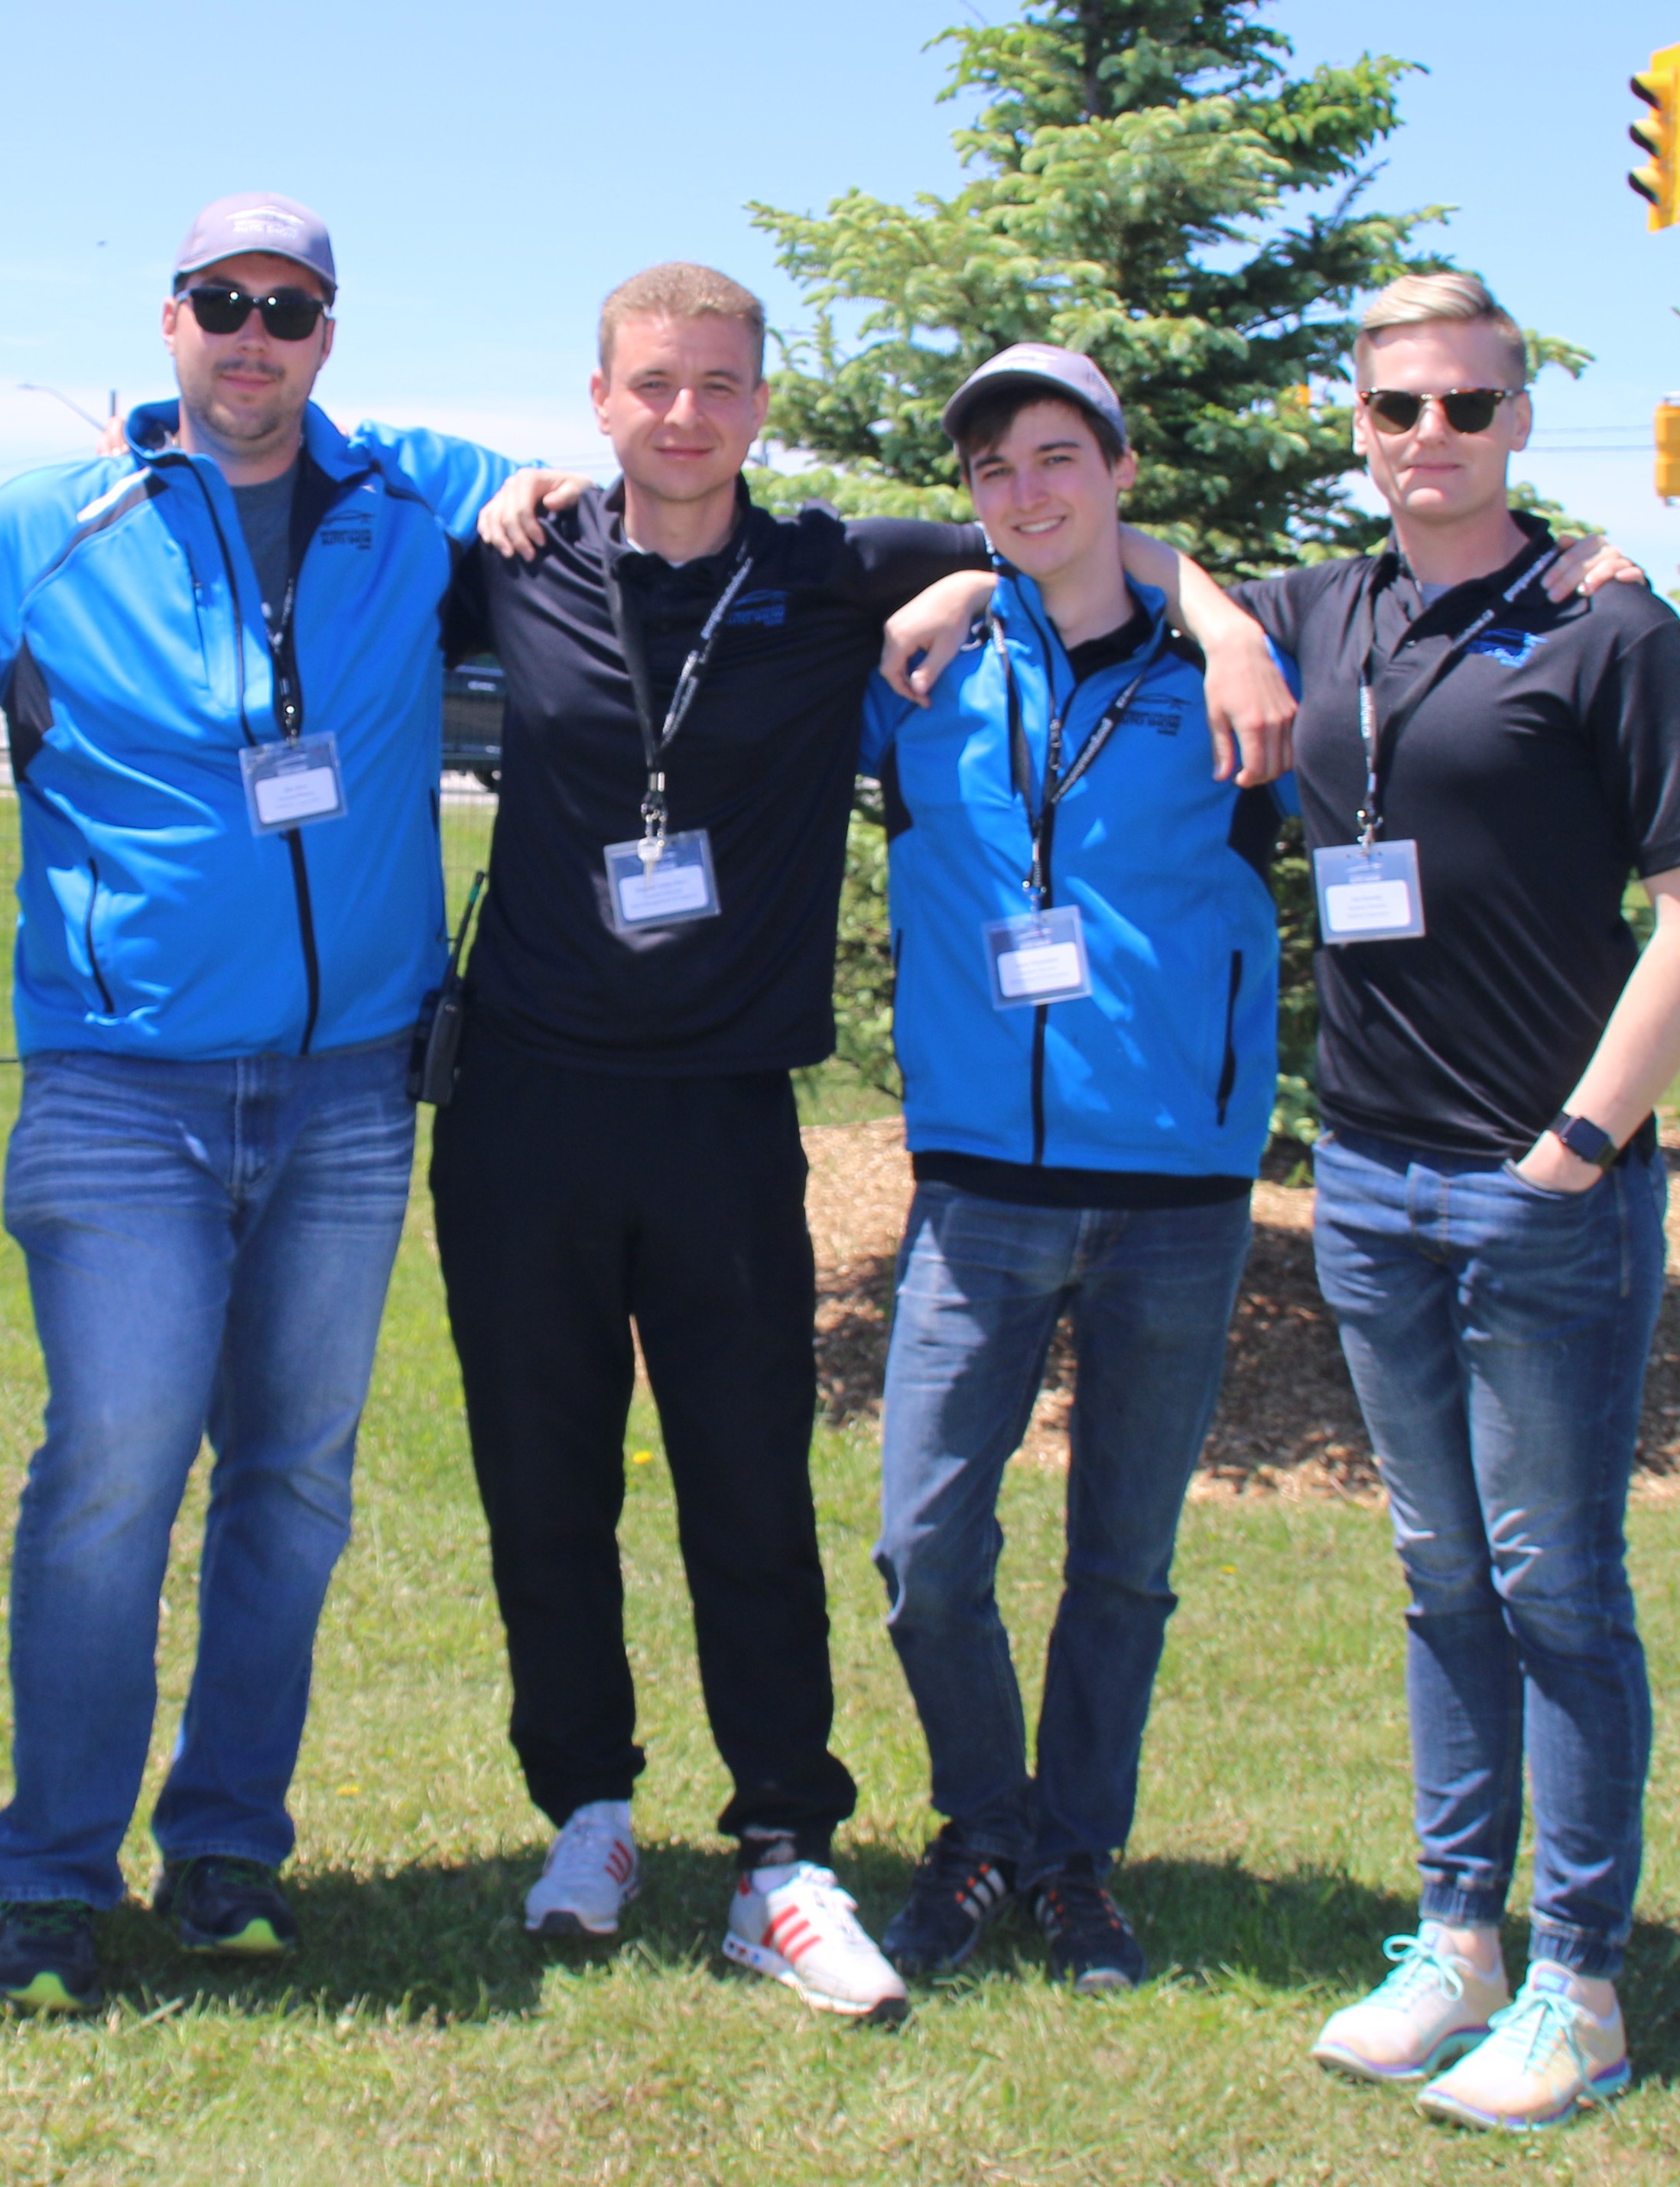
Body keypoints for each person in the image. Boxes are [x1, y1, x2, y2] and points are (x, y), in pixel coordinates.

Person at [431, 265, 1294, 2024]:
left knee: (750, 1485)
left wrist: (1226, 622)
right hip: (527, 1100)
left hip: (727, 1108)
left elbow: (1082, 537)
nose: (686, 414)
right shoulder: (511, 558)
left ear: (762, 402)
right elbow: (322, 508)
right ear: (598, 400)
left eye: (720, 384)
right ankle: (589, 1806)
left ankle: (781, 1845)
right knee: (543, 1481)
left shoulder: (840, 568)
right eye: (653, 384)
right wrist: (495, 486)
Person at [0, 193, 539, 2014]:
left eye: (289, 307)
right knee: (113, 1469)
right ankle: (51, 1875)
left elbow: (601, 496)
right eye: (221, 301)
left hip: (350, 1095)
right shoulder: (45, 525)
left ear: (328, 334)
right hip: (123, 1090)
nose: (252, 334)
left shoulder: (411, 496)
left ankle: (226, 1848)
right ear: (169, 318)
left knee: (294, 1481)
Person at [1239, 272, 1680, 2130]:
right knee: (1440, 1573)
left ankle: (1578, 1984)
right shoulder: (1324, 608)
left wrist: (1582, 1146)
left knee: (1558, 1586)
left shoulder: (1611, 627)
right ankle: (1457, 1936)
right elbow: (1117, 552)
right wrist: (958, 589)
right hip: (1371, 1177)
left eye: (1468, 403)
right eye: (1398, 407)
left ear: (1520, 418)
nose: (1431, 436)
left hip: (1542, 1190)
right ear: (1358, 422)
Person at [851, 345, 1293, 1998]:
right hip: (981, 1185)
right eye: (993, 470)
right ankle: (983, 1823)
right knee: (924, 1550)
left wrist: (1218, 611)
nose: (1026, 490)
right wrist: (970, 575)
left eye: (1057, 456)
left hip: (1177, 1189)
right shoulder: (919, 669)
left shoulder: (1238, 669)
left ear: (1120, 469)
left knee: (1122, 1561)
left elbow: (1427, 584)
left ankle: (1075, 1856)